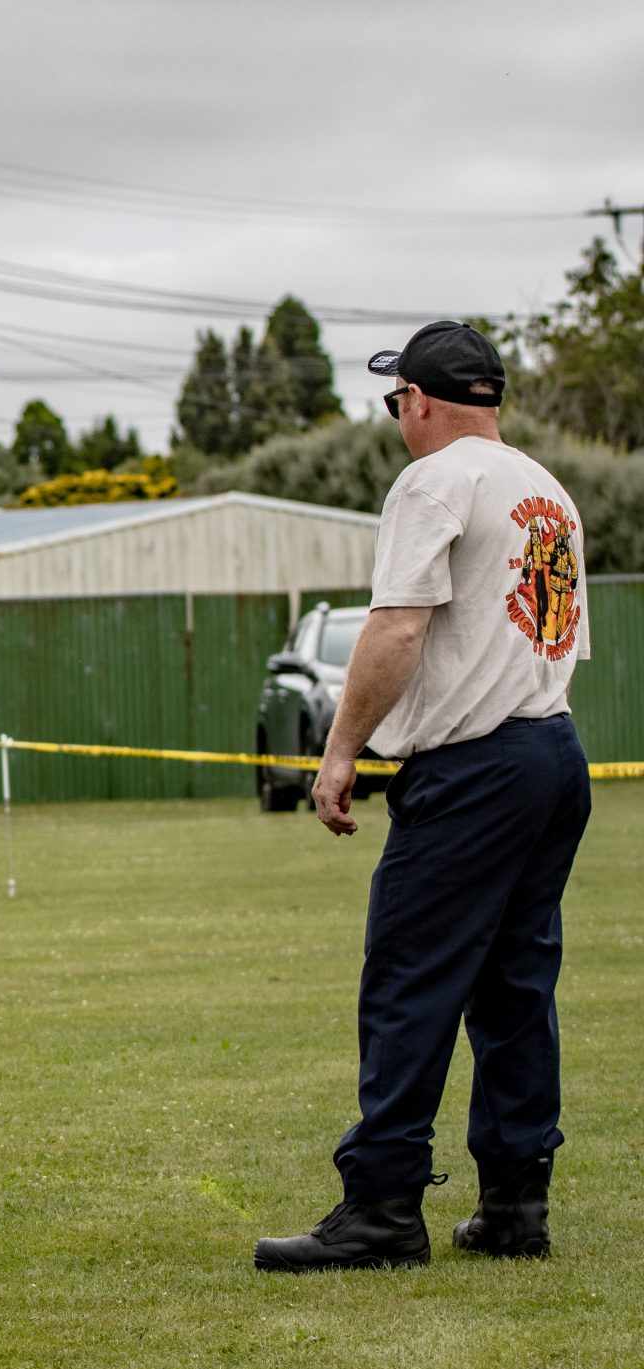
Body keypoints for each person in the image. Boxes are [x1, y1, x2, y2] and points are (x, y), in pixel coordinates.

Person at [255, 321, 590, 1273]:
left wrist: (338, 753)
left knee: (410, 976)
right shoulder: (546, 489)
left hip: (474, 766)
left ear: (423, 401)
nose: (397, 415)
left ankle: (382, 1206)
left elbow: (400, 629)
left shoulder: (434, 480)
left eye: (395, 398)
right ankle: (516, 1201)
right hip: (551, 748)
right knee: (516, 984)